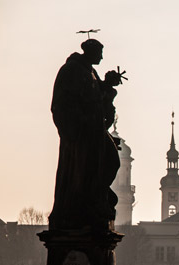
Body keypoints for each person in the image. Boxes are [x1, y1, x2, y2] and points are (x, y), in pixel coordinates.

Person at [50, 39, 124, 231]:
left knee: (110, 162)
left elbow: (98, 98)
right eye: (100, 52)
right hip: (80, 134)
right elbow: (64, 103)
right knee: (86, 170)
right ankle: (89, 202)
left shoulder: (90, 72)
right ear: (89, 52)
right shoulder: (72, 71)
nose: (101, 57)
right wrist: (78, 124)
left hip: (94, 132)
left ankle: (95, 198)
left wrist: (107, 85)